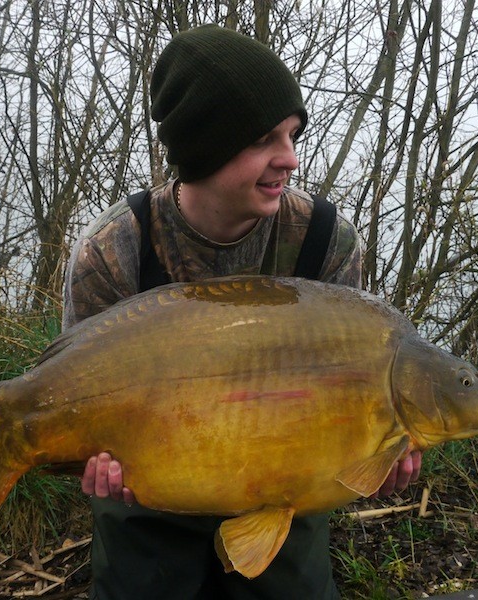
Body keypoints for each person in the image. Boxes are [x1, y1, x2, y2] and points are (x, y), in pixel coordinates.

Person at [62, 24, 422, 600]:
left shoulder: (326, 240)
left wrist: (374, 456)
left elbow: (350, 400)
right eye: (264, 141)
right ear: (205, 147)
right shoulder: (114, 248)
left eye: (293, 134)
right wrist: (89, 459)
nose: (291, 159)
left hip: (285, 482)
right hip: (152, 480)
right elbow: (77, 391)